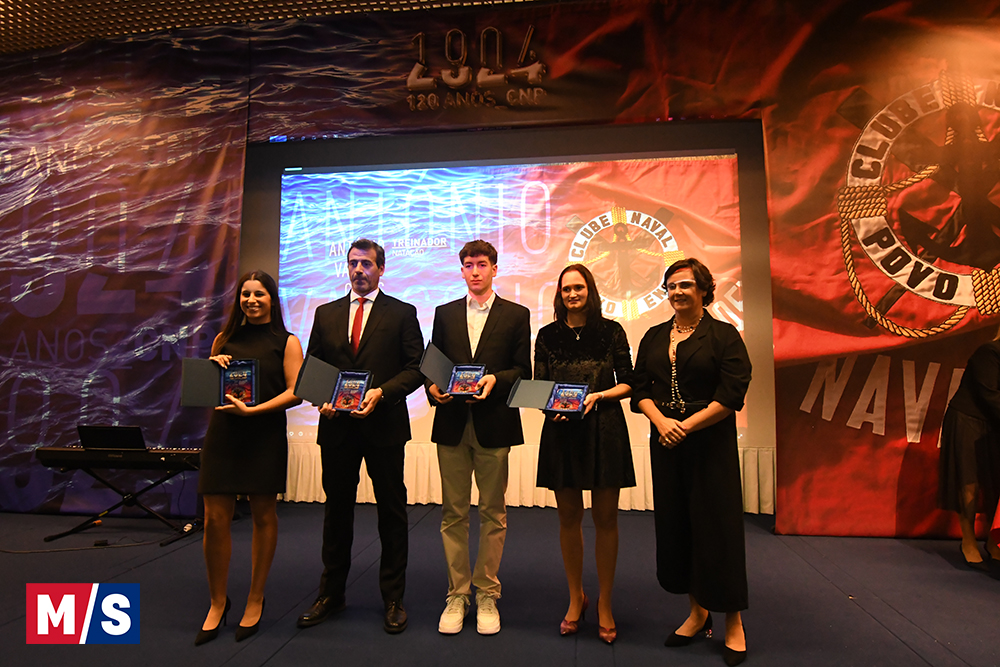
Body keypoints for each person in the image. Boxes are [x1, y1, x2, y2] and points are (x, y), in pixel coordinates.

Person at [297, 239, 424, 634]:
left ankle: (394, 598)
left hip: (384, 427)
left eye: (366, 264)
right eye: (353, 263)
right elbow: (314, 367)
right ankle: (331, 594)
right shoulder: (326, 313)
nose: (358, 270)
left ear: (381, 269)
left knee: (391, 513)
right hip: (337, 429)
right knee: (337, 513)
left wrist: (382, 392)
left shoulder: (402, 313)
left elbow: (416, 368)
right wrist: (320, 398)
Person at [631, 258, 751, 667]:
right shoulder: (653, 335)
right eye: (671, 285)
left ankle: (733, 621)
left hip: (709, 443)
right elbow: (640, 388)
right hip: (666, 441)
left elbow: (732, 393)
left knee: (718, 529)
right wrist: (662, 422)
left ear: (703, 289)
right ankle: (698, 614)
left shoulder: (724, 335)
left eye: (685, 284)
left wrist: (686, 425)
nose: (677, 292)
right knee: (678, 526)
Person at [426, 240, 531, 635]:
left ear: (494, 269)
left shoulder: (516, 314)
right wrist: (432, 388)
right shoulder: (445, 313)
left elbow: (522, 369)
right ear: (461, 270)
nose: (475, 271)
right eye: (468, 265)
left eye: (482, 264)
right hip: (452, 423)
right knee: (452, 513)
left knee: (493, 512)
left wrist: (494, 380)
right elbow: (434, 365)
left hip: (494, 423)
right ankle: (457, 593)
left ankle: (487, 592)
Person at [196, 270, 304, 646]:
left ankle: (255, 598)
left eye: (259, 294)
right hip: (223, 434)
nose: (252, 300)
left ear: (272, 299)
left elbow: (296, 392)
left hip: (264, 434)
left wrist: (255, 411)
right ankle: (217, 601)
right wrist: (215, 367)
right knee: (214, 519)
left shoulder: (287, 341)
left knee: (263, 516)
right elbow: (211, 389)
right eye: (246, 294)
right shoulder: (223, 338)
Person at [534, 264, 635, 645]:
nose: (572, 294)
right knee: (568, 518)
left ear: (590, 291)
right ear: (559, 295)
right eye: (566, 289)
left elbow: (629, 381)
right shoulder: (547, 335)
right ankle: (576, 597)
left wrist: (599, 395)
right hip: (561, 432)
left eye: (578, 287)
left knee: (606, 519)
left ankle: (605, 601)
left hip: (604, 430)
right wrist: (550, 407)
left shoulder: (612, 331)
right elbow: (540, 385)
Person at [938, 331, 1000, 570]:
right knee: (968, 482)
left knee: (995, 483)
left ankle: (993, 542)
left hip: (993, 424)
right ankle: (968, 541)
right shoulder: (989, 351)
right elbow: (990, 395)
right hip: (967, 419)